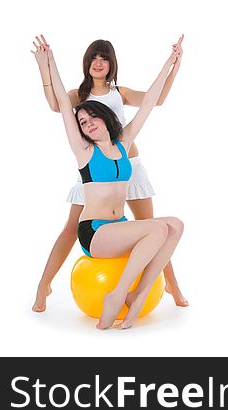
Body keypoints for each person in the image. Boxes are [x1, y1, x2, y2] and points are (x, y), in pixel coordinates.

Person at [34, 35, 185, 329]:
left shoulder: (124, 133)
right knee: (151, 228)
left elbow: (152, 101)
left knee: (171, 226)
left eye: (104, 58)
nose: (89, 122)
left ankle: (141, 294)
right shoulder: (83, 143)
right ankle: (112, 295)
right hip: (96, 206)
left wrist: (172, 62)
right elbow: (62, 106)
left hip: (123, 170)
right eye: (83, 122)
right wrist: (47, 63)